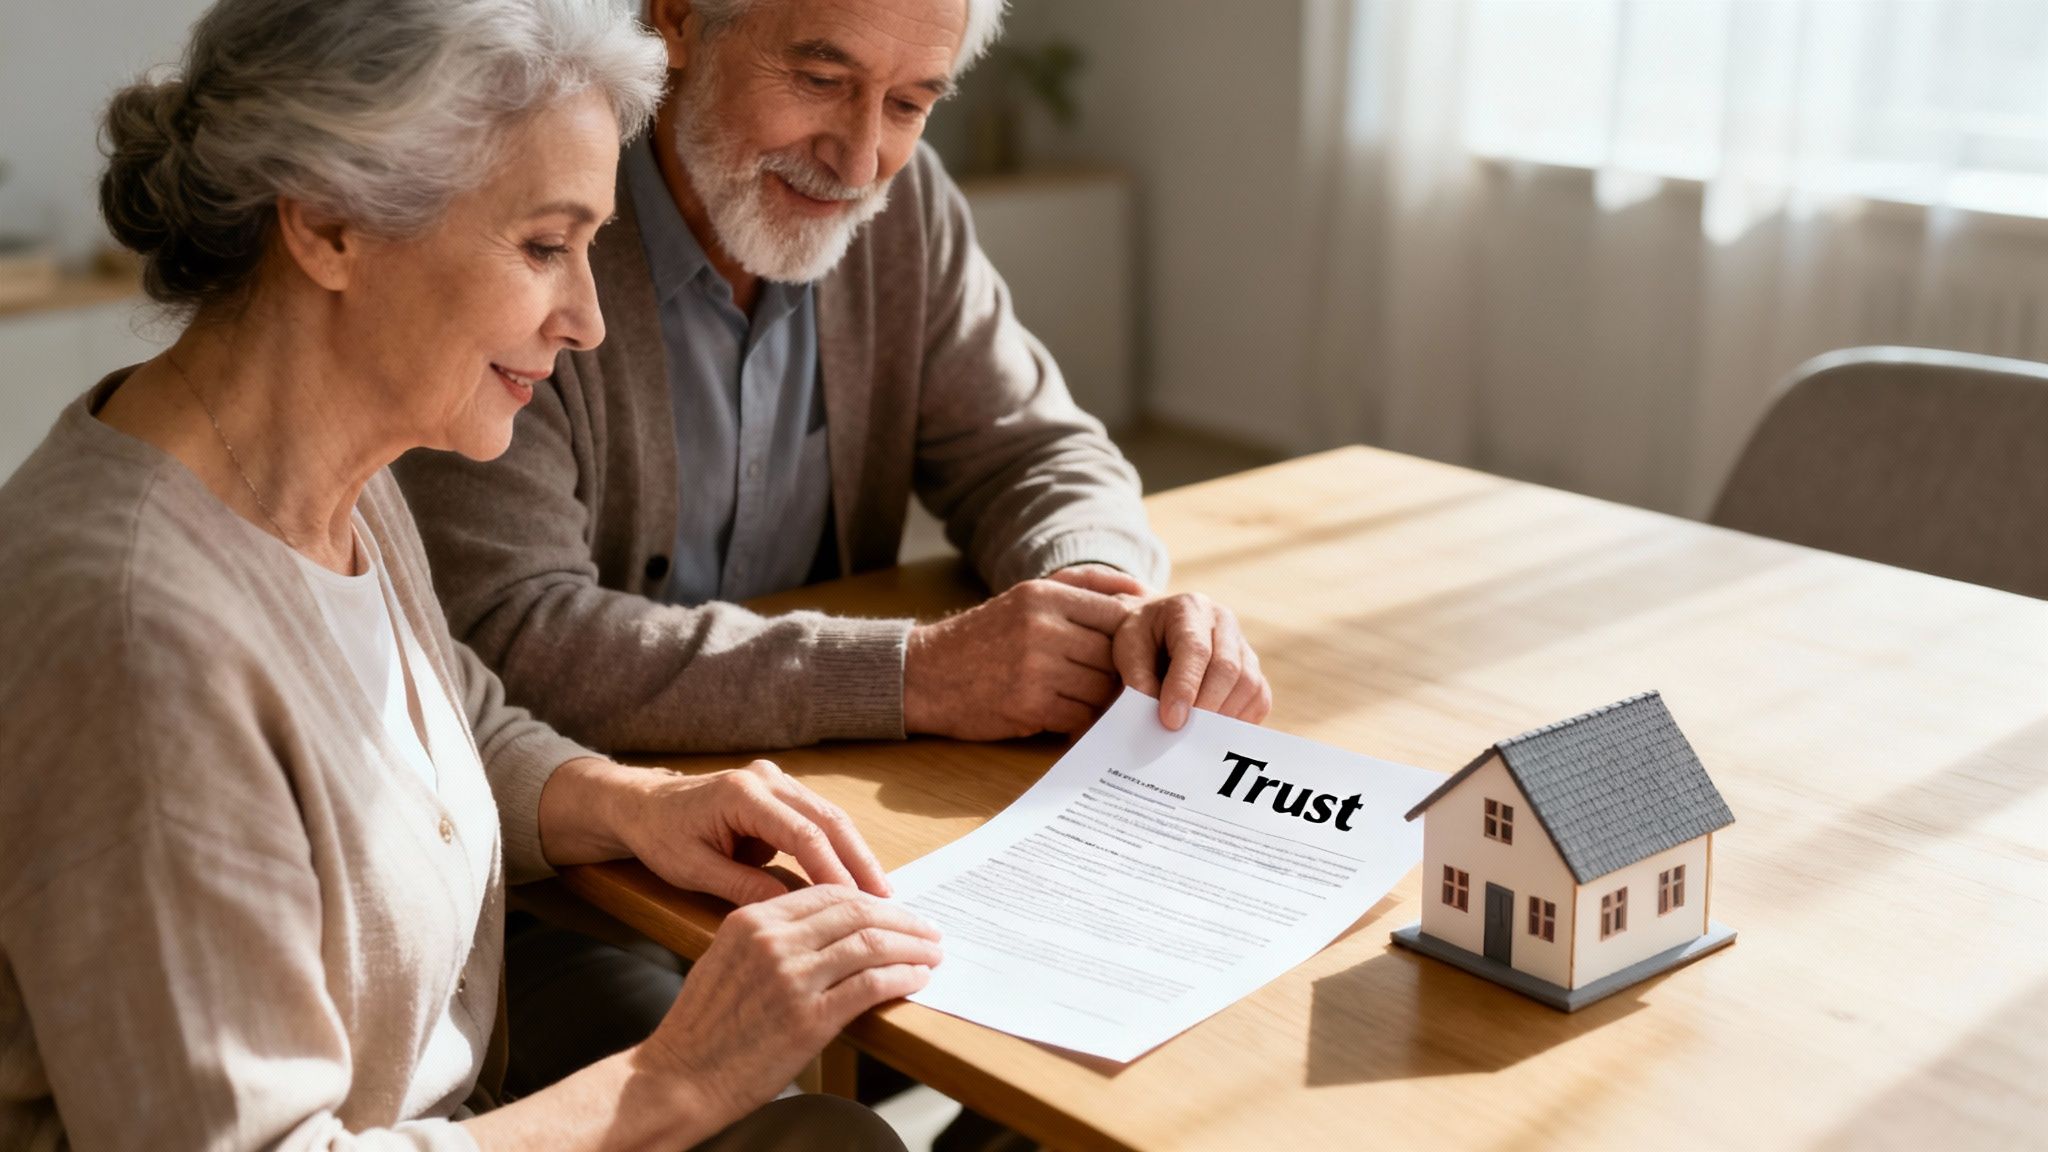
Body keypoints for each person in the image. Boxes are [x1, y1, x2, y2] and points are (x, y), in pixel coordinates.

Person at [0, 1, 933, 1147]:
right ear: (330, 225)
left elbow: (439, 714)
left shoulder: (337, 468)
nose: (588, 319)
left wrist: (635, 802)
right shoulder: (135, 636)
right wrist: (673, 1080)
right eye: (544, 245)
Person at [392, 0, 1274, 756]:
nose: (859, 163)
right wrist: (908, 675)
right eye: (819, 81)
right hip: (569, 871)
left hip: (824, 808)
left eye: (907, 103)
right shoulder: (536, 223)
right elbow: (506, 627)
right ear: (678, 18)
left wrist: (1104, 599)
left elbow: (1033, 451)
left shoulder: (905, 204)